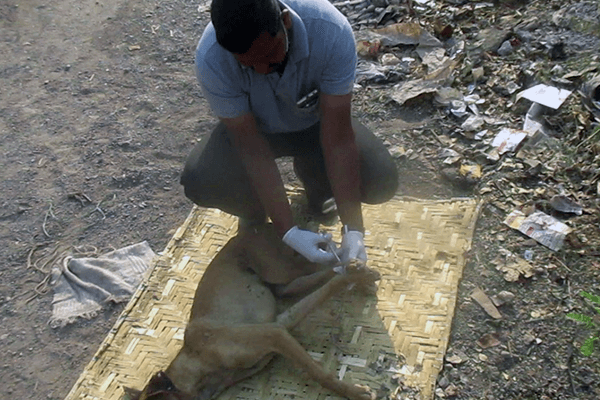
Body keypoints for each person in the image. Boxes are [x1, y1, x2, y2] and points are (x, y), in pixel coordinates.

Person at [181, 0, 398, 266]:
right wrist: (288, 232)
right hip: (257, 131)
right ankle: (256, 211)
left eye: (269, 55)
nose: (262, 69)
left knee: (380, 179)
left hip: (314, 126)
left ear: (285, 22)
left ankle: (318, 188)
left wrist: (354, 230)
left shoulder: (330, 30)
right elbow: (251, 147)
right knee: (200, 180)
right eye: (249, 65)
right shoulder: (212, 58)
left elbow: (338, 137)